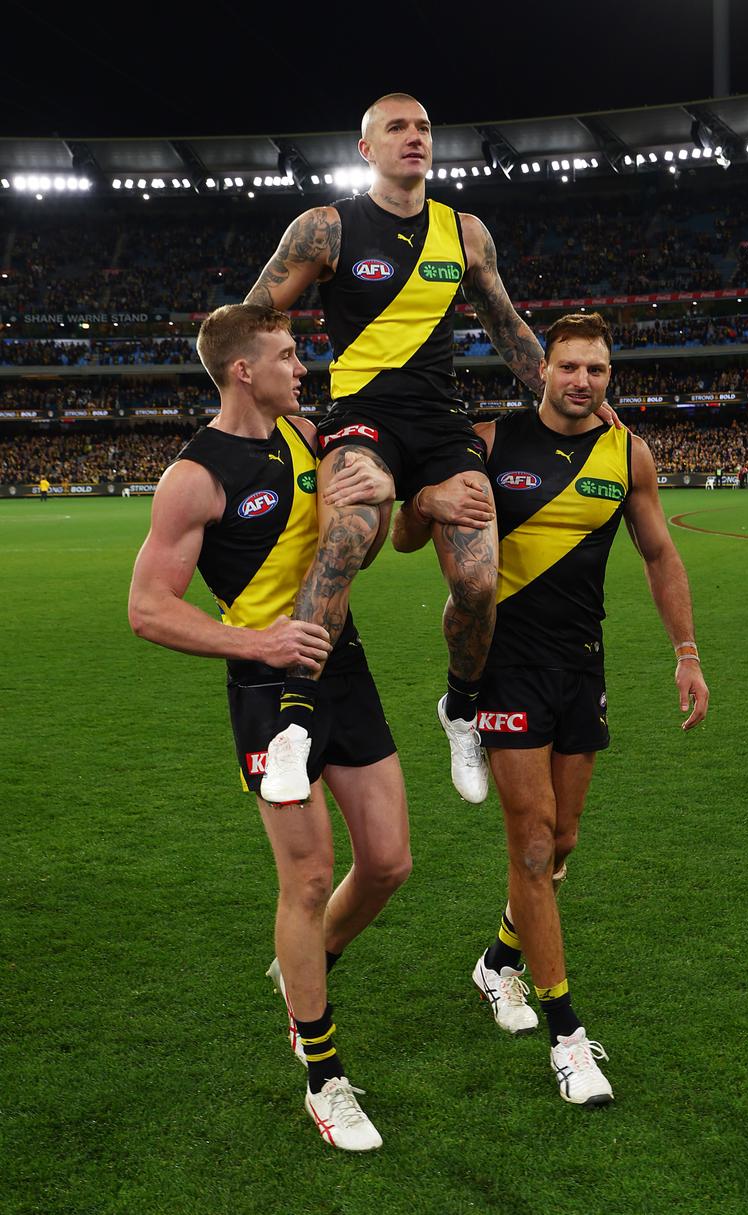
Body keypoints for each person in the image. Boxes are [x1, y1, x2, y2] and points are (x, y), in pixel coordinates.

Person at [244, 92, 618, 808]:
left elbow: (508, 328)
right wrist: (275, 412)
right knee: (350, 532)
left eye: (423, 127)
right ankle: (293, 722)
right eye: (397, 128)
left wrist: (588, 404)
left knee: (480, 583)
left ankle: (460, 708)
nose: (414, 138)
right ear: (366, 148)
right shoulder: (326, 228)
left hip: (443, 425)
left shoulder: (465, 233)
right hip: (361, 416)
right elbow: (252, 318)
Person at [392, 312, 709, 1108]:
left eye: (596, 370)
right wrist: (425, 497)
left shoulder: (626, 453)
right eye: (568, 366)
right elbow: (406, 534)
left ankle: (499, 962)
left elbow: (660, 553)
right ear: (542, 369)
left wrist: (687, 654)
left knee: (561, 843)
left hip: (581, 667)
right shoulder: (490, 443)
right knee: (531, 845)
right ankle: (568, 1038)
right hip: (507, 669)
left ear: (609, 376)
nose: (582, 381)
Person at [128, 304, 412, 1153]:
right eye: (288, 354)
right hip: (264, 682)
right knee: (308, 873)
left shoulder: (310, 437)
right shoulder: (194, 475)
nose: (303, 363)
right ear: (243, 369)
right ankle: (322, 1072)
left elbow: (358, 545)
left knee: (390, 861)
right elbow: (147, 609)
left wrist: (383, 501)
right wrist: (258, 639)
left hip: (343, 666)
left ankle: (301, 970)